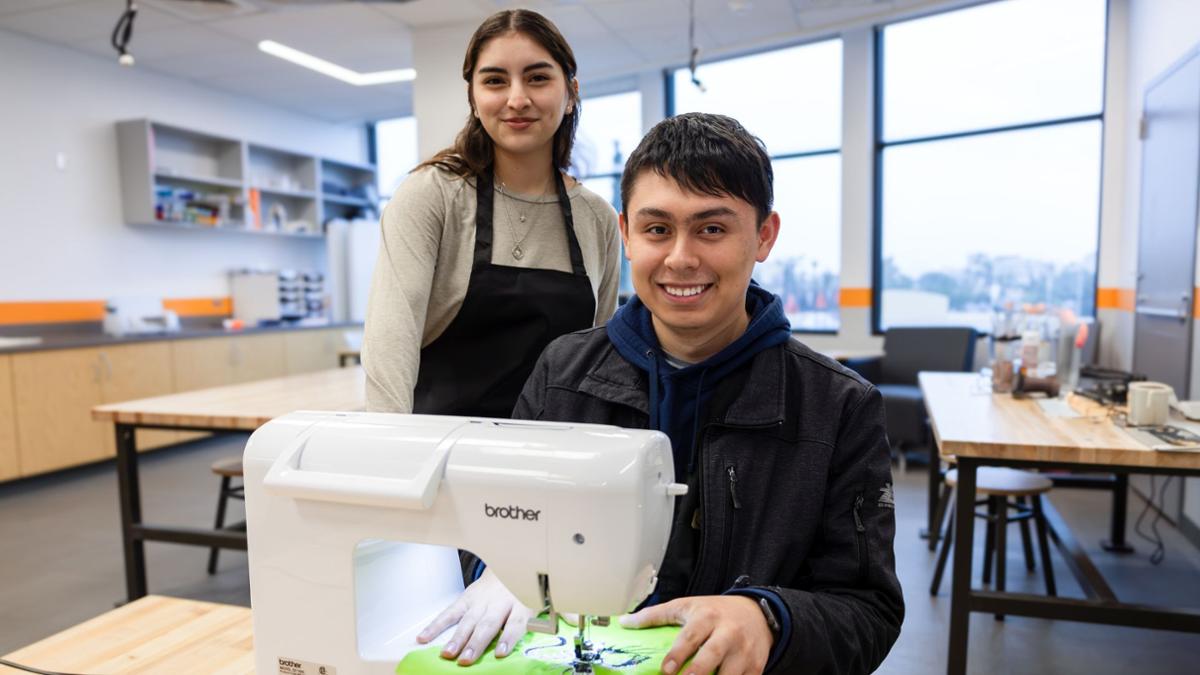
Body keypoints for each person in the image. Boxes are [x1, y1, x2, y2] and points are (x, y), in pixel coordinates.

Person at [418, 113, 904, 674]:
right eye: (657, 230)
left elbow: (869, 611)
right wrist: (497, 570)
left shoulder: (839, 407)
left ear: (764, 236)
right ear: (625, 234)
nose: (680, 258)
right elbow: (490, 525)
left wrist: (770, 617)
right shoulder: (561, 373)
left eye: (712, 229)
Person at [362, 9, 620, 417]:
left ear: (571, 94)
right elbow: (389, 343)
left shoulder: (598, 217)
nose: (517, 99)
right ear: (474, 98)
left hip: (558, 458)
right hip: (444, 457)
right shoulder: (433, 196)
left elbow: (597, 362)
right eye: (495, 81)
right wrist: (393, 453)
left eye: (537, 77)